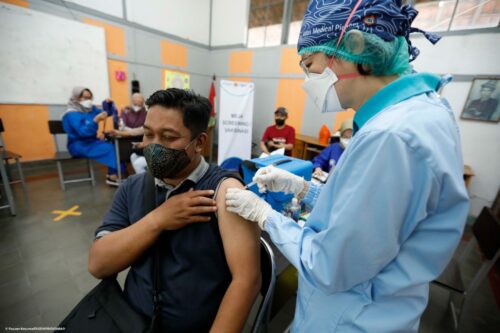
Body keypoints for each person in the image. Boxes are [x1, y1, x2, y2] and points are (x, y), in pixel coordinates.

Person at [225, 1, 469, 332]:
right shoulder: (417, 113)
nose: (307, 80)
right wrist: (303, 188)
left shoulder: (392, 137)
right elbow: (363, 212)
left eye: (310, 65)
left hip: (352, 319)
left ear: (352, 47)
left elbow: (329, 266)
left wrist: (265, 216)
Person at [88, 88, 261, 332]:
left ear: (199, 142)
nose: (154, 146)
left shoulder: (225, 191)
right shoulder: (132, 187)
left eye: (168, 137)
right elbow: (99, 265)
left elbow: (247, 281)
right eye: (148, 135)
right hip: (129, 322)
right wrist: (158, 220)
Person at [62, 87, 121, 186]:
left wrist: (108, 104)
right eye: (85, 98)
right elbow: (82, 132)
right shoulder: (71, 114)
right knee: (109, 148)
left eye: (90, 98)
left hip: (92, 141)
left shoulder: (91, 109)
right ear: (76, 98)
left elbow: (106, 113)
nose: (88, 101)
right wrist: (95, 121)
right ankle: (113, 175)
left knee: (114, 144)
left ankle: (112, 174)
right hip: (78, 145)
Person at [107, 93, 148, 174]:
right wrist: (127, 132)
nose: (137, 105)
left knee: (132, 154)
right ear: (131, 101)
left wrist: (125, 133)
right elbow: (122, 127)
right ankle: (119, 172)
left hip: (141, 138)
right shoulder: (126, 111)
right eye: (135, 102)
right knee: (117, 150)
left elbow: (144, 129)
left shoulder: (146, 112)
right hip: (127, 139)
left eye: (140, 103)